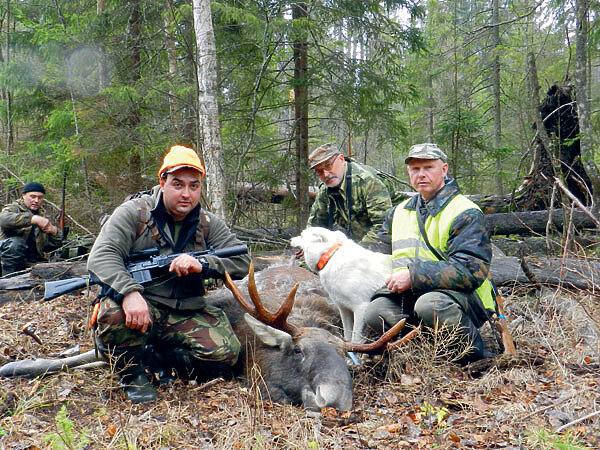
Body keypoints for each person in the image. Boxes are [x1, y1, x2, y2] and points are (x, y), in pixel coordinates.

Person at [88, 145, 250, 403]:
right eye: (178, 184)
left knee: (226, 354)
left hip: (185, 310)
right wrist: (130, 292)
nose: (186, 194)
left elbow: (243, 261)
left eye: (194, 186)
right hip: (143, 306)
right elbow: (101, 256)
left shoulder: (207, 223)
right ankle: (133, 375)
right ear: (162, 182)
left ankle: (157, 358)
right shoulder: (134, 213)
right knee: (113, 313)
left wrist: (205, 264)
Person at [365, 143, 496, 364]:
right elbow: (376, 253)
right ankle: (423, 352)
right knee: (375, 312)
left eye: (428, 167)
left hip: (461, 297)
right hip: (410, 297)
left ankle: (471, 355)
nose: (421, 174)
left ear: (444, 170)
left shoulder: (465, 211)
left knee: (430, 305)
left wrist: (413, 276)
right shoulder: (398, 212)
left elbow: (471, 270)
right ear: (408, 173)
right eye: (415, 169)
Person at [307, 142, 392, 247]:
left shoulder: (368, 182)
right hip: (360, 244)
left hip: (389, 243)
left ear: (341, 160)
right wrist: (307, 246)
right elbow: (316, 225)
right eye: (319, 172)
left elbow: (384, 226)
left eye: (328, 166)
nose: (326, 174)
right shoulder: (325, 190)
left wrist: (355, 253)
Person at [0, 182, 64, 276]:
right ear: (23, 196)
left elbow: (50, 247)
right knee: (16, 243)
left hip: (32, 262)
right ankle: (8, 279)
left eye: (40, 197)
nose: (36, 200)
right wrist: (32, 219)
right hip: (6, 259)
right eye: (32, 197)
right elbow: (3, 220)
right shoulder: (13, 208)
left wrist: (54, 232)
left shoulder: (42, 215)